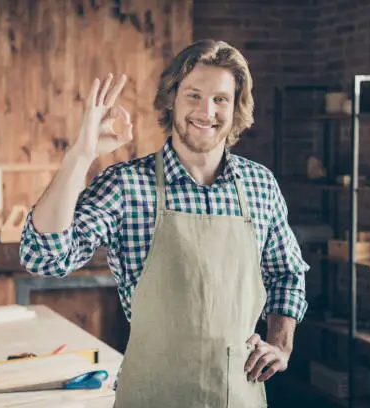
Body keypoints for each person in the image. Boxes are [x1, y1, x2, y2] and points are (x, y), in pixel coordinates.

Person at [20, 39, 308, 407]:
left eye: (221, 99)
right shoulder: (127, 185)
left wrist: (280, 344)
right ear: (171, 99)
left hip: (239, 395)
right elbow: (43, 257)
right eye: (194, 95)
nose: (206, 111)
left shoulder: (260, 185)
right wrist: (82, 154)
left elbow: (287, 272)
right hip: (151, 395)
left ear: (236, 108)